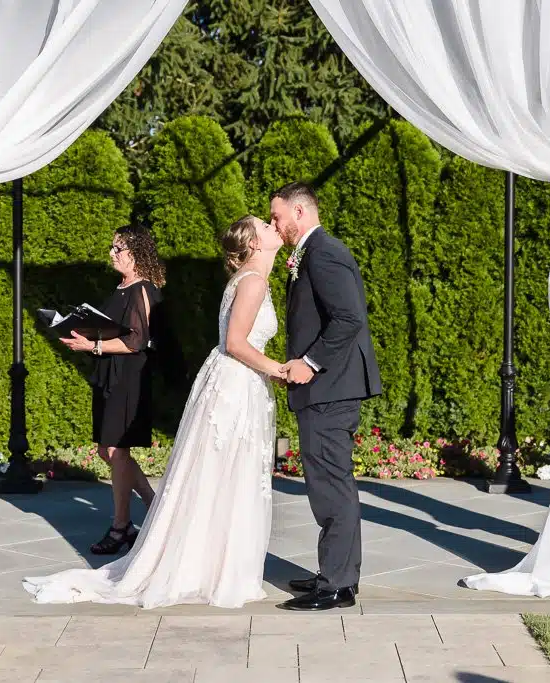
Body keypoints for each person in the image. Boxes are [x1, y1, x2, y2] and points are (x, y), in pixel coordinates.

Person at [24, 216, 286, 608]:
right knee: (225, 471)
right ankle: (211, 564)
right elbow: (235, 342)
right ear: (253, 243)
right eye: (264, 225)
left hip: (222, 383)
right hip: (235, 383)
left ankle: (191, 550)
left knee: (219, 472)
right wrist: (278, 368)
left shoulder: (245, 279)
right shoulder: (253, 281)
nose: (271, 225)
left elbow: (144, 339)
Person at [271, 182, 382, 611]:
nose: (275, 225)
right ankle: (339, 576)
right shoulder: (312, 253)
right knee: (329, 483)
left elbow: (350, 317)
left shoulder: (324, 251)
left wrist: (309, 363)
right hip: (326, 389)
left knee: (330, 484)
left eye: (278, 216)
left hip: (329, 389)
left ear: (300, 211)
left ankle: (335, 584)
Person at [60, 225, 164, 555]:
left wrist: (94, 346)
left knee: (118, 451)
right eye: (112, 247)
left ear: (135, 253)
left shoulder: (142, 289)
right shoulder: (121, 286)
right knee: (107, 451)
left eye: (117, 249)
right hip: (109, 375)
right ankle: (155, 507)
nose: (111, 253)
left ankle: (121, 527)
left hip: (128, 377)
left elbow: (137, 340)